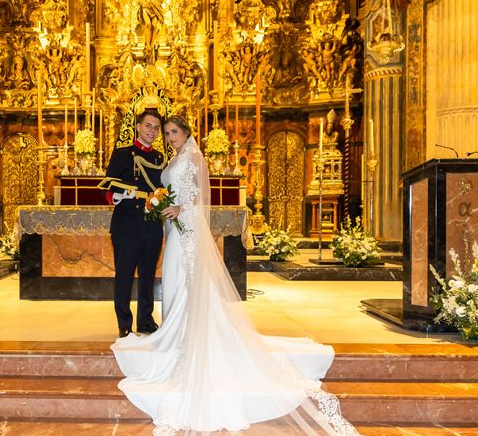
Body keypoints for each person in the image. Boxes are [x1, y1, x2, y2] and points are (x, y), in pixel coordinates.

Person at [112, 116, 359, 435]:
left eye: (174, 132)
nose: (169, 136)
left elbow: (203, 198)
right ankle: (176, 330)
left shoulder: (195, 157)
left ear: (187, 133)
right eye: (166, 132)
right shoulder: (170, 158)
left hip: (186, 228)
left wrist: (179, 210)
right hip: (173, 228)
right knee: (174, 279)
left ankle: (190, 334)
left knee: (185, 278)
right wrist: (164, 206)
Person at [102, 109, 166, 338]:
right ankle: (124, 322)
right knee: (125, 276)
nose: (152, 131)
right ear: (138, 127)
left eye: (157, 128)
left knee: (148, 275)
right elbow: (108, 188)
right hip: (126, 225)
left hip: (151, 225)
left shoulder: (160, 158)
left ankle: (146, 320)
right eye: (148, 126)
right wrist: (121, 196)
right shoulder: (122, 153)